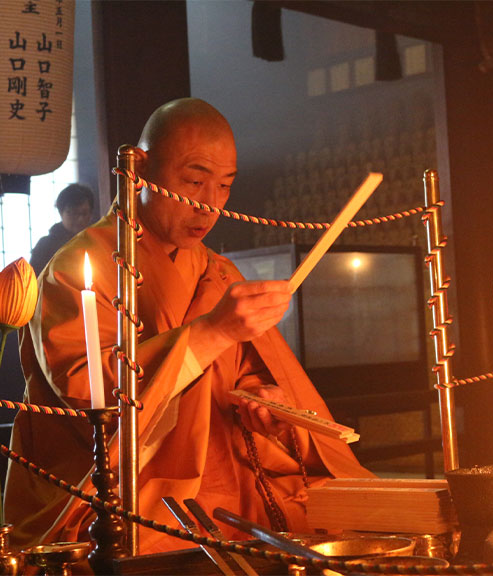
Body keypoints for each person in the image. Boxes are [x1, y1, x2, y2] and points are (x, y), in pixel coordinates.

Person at [5, 98, 373, 553]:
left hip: (229, 492)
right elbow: (90, 397)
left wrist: (265, 399)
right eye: (194, 181)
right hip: (135, 501)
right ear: (138, 168)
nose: (209, 205)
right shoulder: (80, 268)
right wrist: (212, 332)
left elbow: (243, 372)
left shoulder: (217, 271)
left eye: (224, 186)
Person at [30, 183, 95, 275]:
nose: (80, 219)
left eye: (84, 213)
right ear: (61, 212)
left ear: (91, 214)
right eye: (73, 213)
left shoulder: (96, 241)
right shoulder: (45, 246)